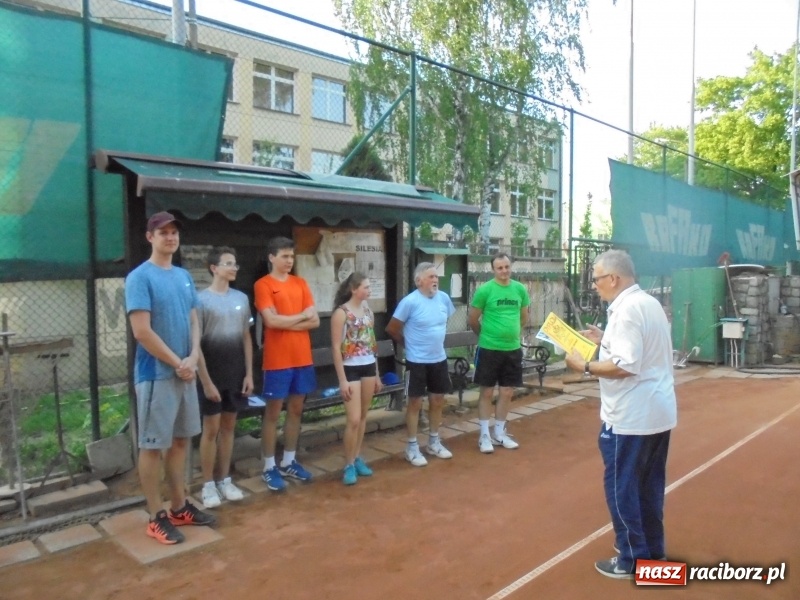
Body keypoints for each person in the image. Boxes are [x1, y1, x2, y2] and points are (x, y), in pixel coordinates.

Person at [564, 249, 677, 579]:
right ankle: (652, 553)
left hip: (631, 416)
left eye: (597, 278)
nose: (594, 284)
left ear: (613, 278)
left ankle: (632, 558)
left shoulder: (626, 311)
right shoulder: (647, 304)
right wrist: (605, 339)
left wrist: (582, 365)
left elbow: (626, 365)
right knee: (649, 486)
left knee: (622, 487)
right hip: (656, 413)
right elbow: (639, 348)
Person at [125, 211, 216, 545]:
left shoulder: (183, 277)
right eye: (162, 232)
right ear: (150, 237)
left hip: (184, 372)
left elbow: (194, 319)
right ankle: (155, 515)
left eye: (174, 232)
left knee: (180, 442)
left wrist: (192, 356)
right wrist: (179, 362)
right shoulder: (139, 277)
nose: (170, 237)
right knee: (152, 446)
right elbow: (142, 331)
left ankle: (179, 507)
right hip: (156, 375)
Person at [253, 237, 319, 491]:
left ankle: (289, 461)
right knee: (272, 413)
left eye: (291, 257)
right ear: (272, 257)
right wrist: (301, 316)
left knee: (295, 411)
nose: (289, 261)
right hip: (277, 360)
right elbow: (271, 322)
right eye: (284, 256)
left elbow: (314, 322)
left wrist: (289, 320)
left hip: (302, 358)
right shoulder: (263, 285)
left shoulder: (300, 283)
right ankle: (269, 466)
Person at [196, 247, 254, 508]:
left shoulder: (241, 298)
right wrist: (206, 381)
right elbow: (194, 344)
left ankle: (225, 480)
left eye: (235, 264)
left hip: (236, 374)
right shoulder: (200, 301)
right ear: (213, 268)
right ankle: (207, 485)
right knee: (211, 430)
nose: (233, 268)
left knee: (229, 428)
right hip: (211, 375)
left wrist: (249, 374)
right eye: (228, 263)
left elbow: (246, 337)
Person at [386, 262, 455, 467]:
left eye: (436, 277)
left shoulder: (444, 298)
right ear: (419, 281)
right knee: (415, 403)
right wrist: (409, 345)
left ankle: (434, 441)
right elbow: (392, 328)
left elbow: (442, 323)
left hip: (439, 359)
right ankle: (412, 447)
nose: (435, 280)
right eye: (431, 277)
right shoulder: (409, 302)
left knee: (437, 400)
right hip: (417, 362)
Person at [468, 252, 530, 453]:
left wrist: (510, 334)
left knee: (507, 391)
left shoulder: (520, 289)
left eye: (506, 267)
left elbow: (524, 317)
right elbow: (473, 319)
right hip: (489, 349)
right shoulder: (485, 291)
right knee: (486, 392)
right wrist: (487, 336)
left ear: (511, 267)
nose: (504, 271)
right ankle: (484, 435)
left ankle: (500, 433)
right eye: (499, 268)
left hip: (512, 350)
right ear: (493, 269)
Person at [330, 272, 383, 485]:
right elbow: (335, 348)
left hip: (368, 367)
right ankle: (348, 464)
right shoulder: (341, 313)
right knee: (352, 419)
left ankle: (357, 456)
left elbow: (372, 343)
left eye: (370, 287)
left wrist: (377, 374)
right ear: (354, 289)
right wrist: (342, 379)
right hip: (349, 369)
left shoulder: (369, 312)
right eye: (366, 287)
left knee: (362, 416)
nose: (369, 291)